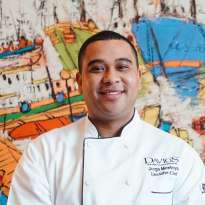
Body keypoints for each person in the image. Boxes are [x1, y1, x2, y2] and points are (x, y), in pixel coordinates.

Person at [8, 30, 205, 205]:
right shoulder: (44, 153)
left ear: (137, 77)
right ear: (79, 81)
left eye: (122, 67)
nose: (111, 78)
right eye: (97, 69)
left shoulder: (179, 155)